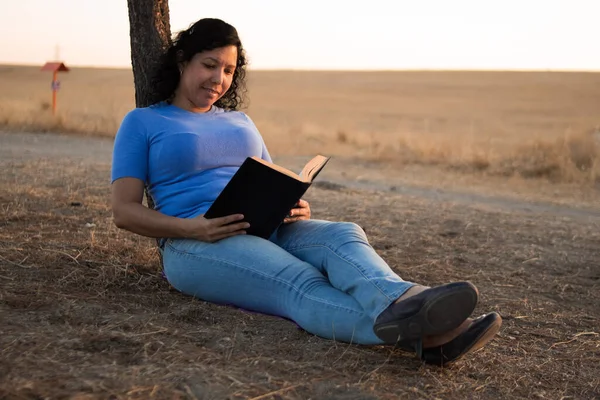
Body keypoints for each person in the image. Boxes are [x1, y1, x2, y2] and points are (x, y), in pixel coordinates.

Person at [110, 18, 502, 366]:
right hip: (193, 244)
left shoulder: (239, 120)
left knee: (343, 234)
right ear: (183, 61)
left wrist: (290, 203)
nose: (219, 80)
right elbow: (123, 211)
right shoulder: (144, 121)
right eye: (209, 65)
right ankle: (432, 335)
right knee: (299, 280)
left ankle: (403, 303)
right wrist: (193, 229)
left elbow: (265, 175)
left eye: (229, 70)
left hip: (263, 226)